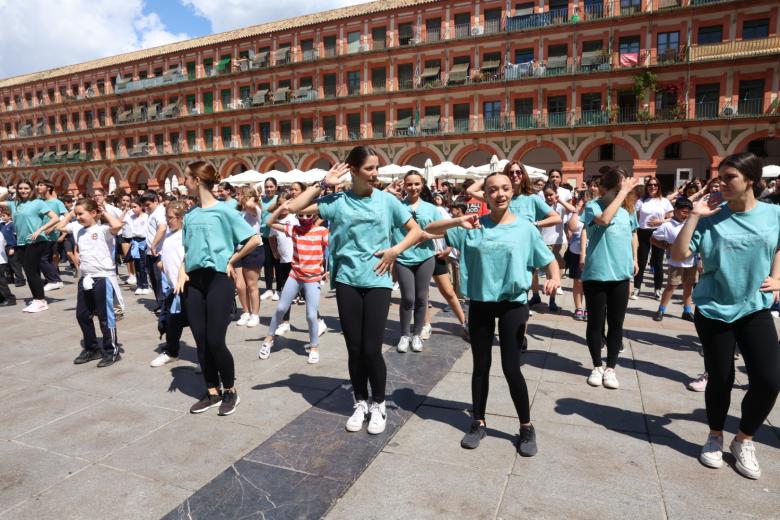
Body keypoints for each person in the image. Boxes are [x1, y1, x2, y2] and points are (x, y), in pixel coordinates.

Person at [286, 146, 422, 435]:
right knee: (354, 348)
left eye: (377, 168)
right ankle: (360, 401)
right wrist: (323, 184)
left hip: (378, 280)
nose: (376, 173)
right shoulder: (337, 200)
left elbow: (415, 231)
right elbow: (293, 208)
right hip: (347, 280)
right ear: (354, 169)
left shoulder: (387, 201)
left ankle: (379, 403)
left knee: (372, 349)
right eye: (370, 168)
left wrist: (394, 251)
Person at [426, 171, 561, 455]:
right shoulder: (472, 225)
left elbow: (549, 261)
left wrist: (554, 278)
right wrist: (458, 220)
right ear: (484, 195)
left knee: (511, 367)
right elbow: (430, 227)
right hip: (481, 303)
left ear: (512, 192)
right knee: (481, 365)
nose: (500, 194)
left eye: (505, 189)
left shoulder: (525, 228)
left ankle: (526, 427)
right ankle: (478, 421)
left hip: (513, 303)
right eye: (493, 190)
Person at [672, 152, 780, 480]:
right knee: (720, 377)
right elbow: (679, 256)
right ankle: (715, 435)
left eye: (730, 176)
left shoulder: (774, 213)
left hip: (755, 306)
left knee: (769, 379)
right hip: (714, 309)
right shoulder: (710, 216)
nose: (722, 182)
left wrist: (778, 277)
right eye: (720, 176)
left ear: (751, 179)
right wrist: (694, 215)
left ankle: (743, 439)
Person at [175, 161, 261, 416]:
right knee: (201, 341)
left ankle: (231, 390)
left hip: (218, 279)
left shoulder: (225, 211)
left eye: (186, 178)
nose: (183, 182)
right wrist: (181, 270)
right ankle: (211, 391)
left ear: (198, 180)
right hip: (193, 281)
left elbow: (254, 239)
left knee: (215, 340)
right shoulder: (190, 215)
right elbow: (188, 251)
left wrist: (231, 260)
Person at [581, 168, 639, 390]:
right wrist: (622, 193)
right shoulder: (592, 207)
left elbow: (633, 234)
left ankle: (611, 368)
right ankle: (597, 365)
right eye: (616, 189)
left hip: (620, 275)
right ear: (604, 189)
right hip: (596, 274)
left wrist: (635, 259)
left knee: (616, 324)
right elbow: (605, 220)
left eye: (621, 190)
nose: (620, 193)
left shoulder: (628, 212)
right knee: (595, 323)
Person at [259, 201, 329, 363]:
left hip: (312, 279)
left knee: (311, 315)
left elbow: (335, 246)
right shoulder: (294, 229)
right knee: (281, 308)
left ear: (314, 215)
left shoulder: (321, 231)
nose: (304, 218)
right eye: (301, 215)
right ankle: (269, 339)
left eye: (308, 214)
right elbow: (268, 222)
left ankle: (314, 346)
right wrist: (282, 209)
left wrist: (329, 268)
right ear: (296, 215)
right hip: (295, 276)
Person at [63, 199, 125, 367]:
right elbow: (60, 227)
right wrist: (71, 214)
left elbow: (117, 226)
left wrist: (103, 211)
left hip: (102, 278)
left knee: (105, 317)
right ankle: (92, 348)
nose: (78, 217)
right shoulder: (78, 230)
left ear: (93, 213)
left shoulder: (103, 229)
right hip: (86, 278)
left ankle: (112, 351)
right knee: (82, 315)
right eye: (76, 214)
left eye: (81, 213)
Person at [392, 172, 441, 353]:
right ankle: (405, 334)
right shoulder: (396, 206)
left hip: (425, 257)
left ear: (422, 185)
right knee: (408, 298)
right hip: (403, 258)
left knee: (422, 298)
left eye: (417, 184)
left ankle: (417, 334)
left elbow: (446, 229)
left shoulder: (431, 208)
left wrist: (431, 235)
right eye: (410, 184)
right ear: (404, 185)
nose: (413, 187)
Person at [0, 180, 61, 313]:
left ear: (32, 189)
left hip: (37, 241)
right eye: (20, 188)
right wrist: (8, 191)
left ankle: (40, 301)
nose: (23, 191)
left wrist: (40, 230)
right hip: (21, 242)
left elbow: (55, 218)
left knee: (31, 272)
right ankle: (37, 299)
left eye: (26, 188)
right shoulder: (14, 203)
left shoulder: (38, 203)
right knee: (31, 272)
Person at [150, 201, 187, 367]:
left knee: (198, 327)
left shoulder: (186, 235)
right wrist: (162, 264)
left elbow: (188, 259)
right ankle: (172, 352)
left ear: (180, 218)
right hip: (174, 289)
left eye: (171, 218)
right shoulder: (169, 235)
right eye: (166, 217)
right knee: (171, 323)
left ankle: (205, 359)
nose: (168, 221)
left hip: (188, 288)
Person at [651, 197, 697, 322]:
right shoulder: (667, 226)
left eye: (689, 212)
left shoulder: (692, 224)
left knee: (689, 285)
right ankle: (661, 310)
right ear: (675, 210)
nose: (686, 215)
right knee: (672, 285)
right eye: (684, 211)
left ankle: (687, 311)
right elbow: (653, 239)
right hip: (676, 261)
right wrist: (666, 246)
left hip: (691, 261)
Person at [536, 181, 576, 311]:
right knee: (547, 274)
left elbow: (573, 210)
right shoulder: (541, 205)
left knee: (557, 275)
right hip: (544, 242)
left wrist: (559, 201)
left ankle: (551, 299)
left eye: (551, 195)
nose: (548, 197)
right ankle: (544, 298)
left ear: (556, 193)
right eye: (546, 195)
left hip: (559, 242)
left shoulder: (560, 205)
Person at [632, 178, 673, 300]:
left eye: (655, 184)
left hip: (659, 233)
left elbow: (672, 217)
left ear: (659, 186)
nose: (653, 187)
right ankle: (636, 288)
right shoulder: (641, 201)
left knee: (657, 262)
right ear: (646, 187)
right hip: (643, 232)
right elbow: (636, 217)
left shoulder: (664, 201)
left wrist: (661, 221)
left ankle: (658, 289)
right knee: (641, 261)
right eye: (650, 185)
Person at [234, 186, 265, 328]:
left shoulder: (255, 210)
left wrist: (252, 197)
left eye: (239, 194)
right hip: (239, 249)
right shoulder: (241, 212)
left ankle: (255, 314)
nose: (237, 197)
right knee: (240, 285)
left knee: (252, 285)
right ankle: (246, 312)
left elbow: (250, 205)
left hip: (253, 249)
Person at [37, 180, 67, 291]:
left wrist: (54, 227)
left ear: (49, 188)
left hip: (50, 235)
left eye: (41, 185)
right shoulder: (38, 201)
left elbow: (66, 217)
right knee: (48, 259)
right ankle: (57, 280)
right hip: (40, 234)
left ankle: (53, 280)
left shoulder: (57, 202)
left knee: (42, 258)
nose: (38, 187)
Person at [141, 192, 167, 307]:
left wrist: (153, 245)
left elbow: (162, 228)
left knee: (160, 279)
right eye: (144, 205)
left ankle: (164, 305)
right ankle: (160, 303)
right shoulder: (152, 213)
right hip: (151, 251)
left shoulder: (160, 212)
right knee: (154, 279)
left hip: (158, 251)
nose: (146, 207)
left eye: (148, 204)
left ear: (156, 201)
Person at [566, 195, 589, 320]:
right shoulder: (576, 213)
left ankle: (589, 308)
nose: (586, 200)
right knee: (578, 281)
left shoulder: (596, 211)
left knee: (589, 282)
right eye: (584, 198)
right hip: (576, 251)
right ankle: (579, 308)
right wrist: (578, 207)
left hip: (592, 251)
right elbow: (572, 227)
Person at [260, 178, 280, 300]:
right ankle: (268, 289)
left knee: (278, 264)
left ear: (276, 187)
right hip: (264, 236)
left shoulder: (279, 199)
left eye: (271, 186)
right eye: (267, 187)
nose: (269, 189)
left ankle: (278, 289)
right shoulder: (260, 200)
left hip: (277, 236)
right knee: (267, 264)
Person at [128, 199, 150, 295]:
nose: (133, 209)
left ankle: (145, 285)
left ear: (141, 206)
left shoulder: (146, 217)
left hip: (143, 241)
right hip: (134, 241)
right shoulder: (131, 217)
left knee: (143, 263)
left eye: (135, 207)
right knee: (136, 263)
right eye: (131, 207)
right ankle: (139, 285)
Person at [0, 227, 16, 306]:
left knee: (1, 281)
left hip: (1, 260)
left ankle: (10, 298)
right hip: (1, 260)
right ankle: (3, 297)